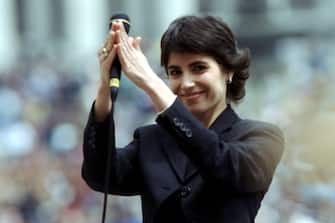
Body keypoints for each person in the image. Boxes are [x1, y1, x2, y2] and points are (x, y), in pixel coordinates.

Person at [82, 15, 284, 223]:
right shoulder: (151, 140)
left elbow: (221, 164)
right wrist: (105, 87)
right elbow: (99, 174)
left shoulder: (261, 138)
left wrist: (151, 82)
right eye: (175, 72)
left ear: (228, 71)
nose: (186, 83)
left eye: (199, 68)